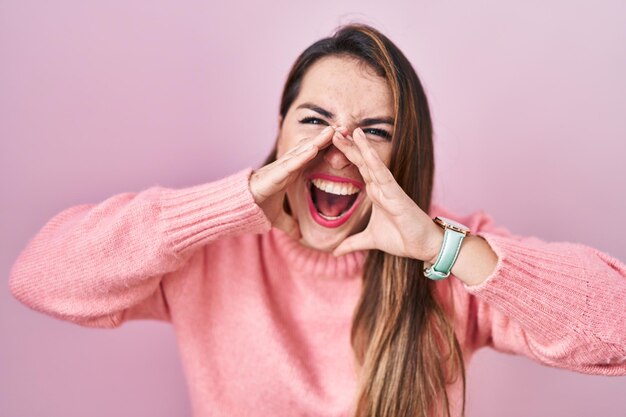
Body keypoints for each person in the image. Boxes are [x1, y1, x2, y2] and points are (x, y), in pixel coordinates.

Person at [8, 23, 626, 417]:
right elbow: (41, 277)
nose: (339, 150)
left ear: (405, 152)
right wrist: (231, 206)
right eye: (314, 121)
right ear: (278, 129)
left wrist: (440, 244)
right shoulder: (210, 250)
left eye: (374, 133)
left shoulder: (451, 253)